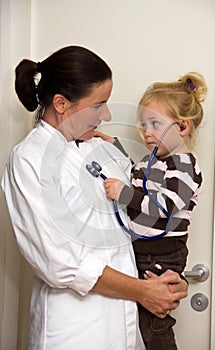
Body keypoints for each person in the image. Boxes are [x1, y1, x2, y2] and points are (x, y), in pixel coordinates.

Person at [1, 46, 188, 350]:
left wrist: (167, 279)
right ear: (61, 103)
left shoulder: (103, 149)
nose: (108, 115)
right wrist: (142, 291)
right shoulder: (29, 160)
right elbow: (59, 261)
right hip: (76, 328)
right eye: (99, 105)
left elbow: (143, 217)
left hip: (129, 323)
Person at [98, 72, 207, 350]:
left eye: (155, 124)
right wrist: (113, 145)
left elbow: (164, 206)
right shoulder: (153, 162)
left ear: (182, 127)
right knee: (133, 323)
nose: (147, 131)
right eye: (144, 124)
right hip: (142, 253)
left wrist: (126, 194)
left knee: (154, 326)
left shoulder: (184, 167)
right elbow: (133, 170)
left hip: (162, 257)